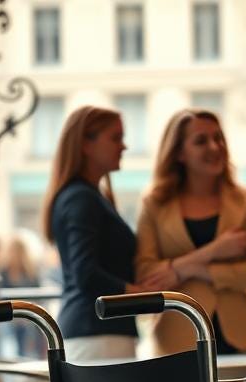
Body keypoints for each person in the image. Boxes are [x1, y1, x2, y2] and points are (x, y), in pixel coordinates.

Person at [40, 106, 171, 362]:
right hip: (98, 334)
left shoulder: (87, 196)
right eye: (115, 138)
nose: (124, 146)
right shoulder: (81, 198)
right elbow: (85, 273)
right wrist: (137, 292)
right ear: (86, 144)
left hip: (98, 333)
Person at [134, 109, 246, 356]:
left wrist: (187, 269)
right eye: (201, 141)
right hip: (176, 337)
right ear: (179, 153)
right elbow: (147, 275)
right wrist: (214, 251)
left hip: (238, 336)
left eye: (218, 138)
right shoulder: (154, 203)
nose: (214, 147)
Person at [0, 235, 42, 358]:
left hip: (26, 316)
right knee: (9, 338)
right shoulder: (4, 271)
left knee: (27, 332)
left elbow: (36, 297)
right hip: (11, 317)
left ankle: (25, 358)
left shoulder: (31, 272)